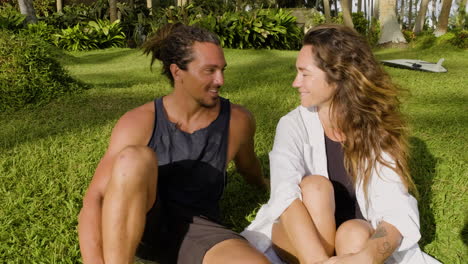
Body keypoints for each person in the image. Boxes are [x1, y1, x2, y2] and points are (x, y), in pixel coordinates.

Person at [241, 25, 441, 264]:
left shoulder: (377, 129)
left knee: (354, 233)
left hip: (353, 239)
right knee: (315, 187)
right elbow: (285, 198)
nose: (296, 83)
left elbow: (396, 209)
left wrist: (366, 257)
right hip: (300, 238)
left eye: (305, 74)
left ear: (338, 77)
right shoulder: (292, 124)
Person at [78, 23, 270, 264]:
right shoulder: (139, 121)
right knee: (134, 159)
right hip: (139, 229)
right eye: (209, 70)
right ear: (177, 72)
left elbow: (249, 167)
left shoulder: (238, 120)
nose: (220, 80)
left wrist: (266, 184)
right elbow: (95, 199)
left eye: (222, 69)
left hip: (199, 230)